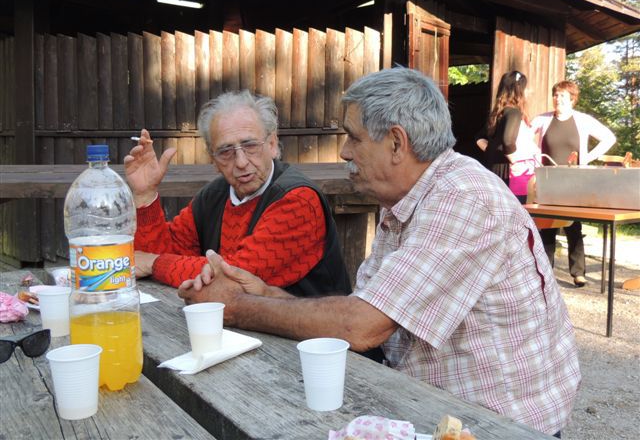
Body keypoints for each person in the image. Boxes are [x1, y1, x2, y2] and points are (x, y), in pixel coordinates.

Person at [178, 67, 581, 437]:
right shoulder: (406, 201)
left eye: (352, 137)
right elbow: (364, 317)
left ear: (395, 142)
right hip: (434, 407)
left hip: (499, 425)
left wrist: (234, 306)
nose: (344, 153)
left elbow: (360, 326)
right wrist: (261, 294)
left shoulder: (463, 197)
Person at [124, 90, 351, 297]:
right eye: (226, 151)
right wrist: (145, 196)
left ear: (272, 144)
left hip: (314, 339)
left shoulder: (298, 200)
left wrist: (154, 263)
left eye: (250, 145)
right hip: (243, 329)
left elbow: (233, 278)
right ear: (213, 159)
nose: (241, 162)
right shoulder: (214, 195)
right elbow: (154, 256)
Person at [532, 80, 616, 287]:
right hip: (550, 180)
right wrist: (534, 158)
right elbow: (524, 138)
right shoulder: (542, 119)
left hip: (575, 179)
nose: (557, 99)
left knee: (573, 226)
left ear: (572, 99)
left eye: (561, 95)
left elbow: (609, 138)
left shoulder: (583, 120)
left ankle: (578, 272)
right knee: (548, 225)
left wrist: (588, 159)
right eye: (555, 95)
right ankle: (546, 271)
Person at [476, 71, 539, 203]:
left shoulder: (497, 114)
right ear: (518, 90)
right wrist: (515, 160)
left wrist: (493, 152)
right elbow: (508, 141)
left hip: (495, 170)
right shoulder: (514, 113)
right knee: (514, 214)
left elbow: (478, 138)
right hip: (511, 175)